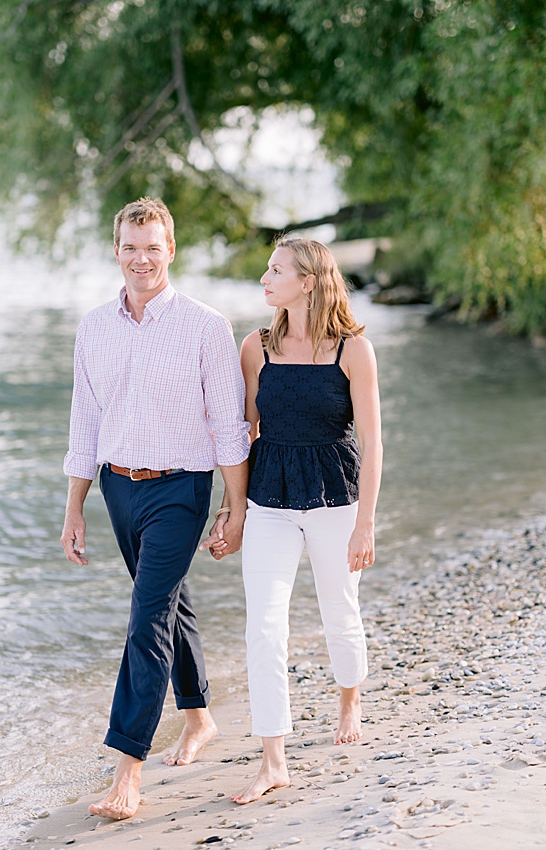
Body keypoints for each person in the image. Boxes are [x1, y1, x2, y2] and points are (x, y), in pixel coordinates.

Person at [60, 197, 251, 820]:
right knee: (165, 601)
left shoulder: (205, 325)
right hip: (118, 485)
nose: (141, 259)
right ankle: (198, 718)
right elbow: (84, 422)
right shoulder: (94, 327)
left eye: (153, 247)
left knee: (145, 618)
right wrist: (75, 507)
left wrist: (235, 505)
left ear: (171, 250)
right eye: (130, 247)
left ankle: (128, 772)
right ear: (116, 250)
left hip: (182, 488)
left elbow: (228, 423)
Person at [218, 236, 381, 805]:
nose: (265, 278)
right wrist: (233, 511)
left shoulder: (353, 351)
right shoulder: (254, 348)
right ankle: (273, 758)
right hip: (269, 501)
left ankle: (349, 697)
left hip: (337, 499)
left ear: (307, 281)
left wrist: (365, 522)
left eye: (275, 269)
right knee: (263, 625)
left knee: (340, 608)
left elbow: (373, 442)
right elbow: (243, 435)